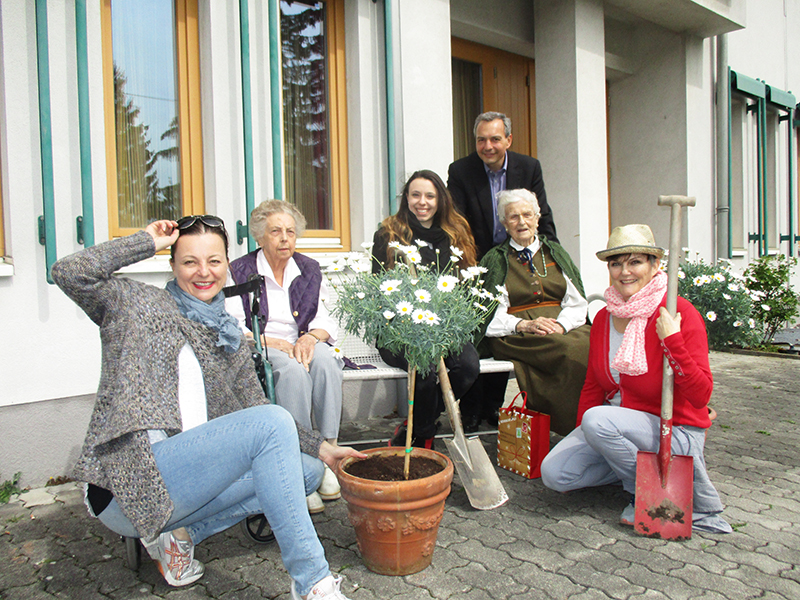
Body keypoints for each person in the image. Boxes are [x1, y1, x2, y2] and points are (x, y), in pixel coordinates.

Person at [52, 215, 366, 598]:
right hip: (126, 485)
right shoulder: (135, 303)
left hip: (184, 486)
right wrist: (146, 241)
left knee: (308, 471)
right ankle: (314, 584)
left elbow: (257, 410)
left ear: (228, 266)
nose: (203, 272)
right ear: (171, 264)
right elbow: (68, 272)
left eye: (214, 261)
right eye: (189, 262)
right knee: (272, 424)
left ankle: (178, 534)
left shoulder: (228, 335)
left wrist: (323, 448)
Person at [540, 224, 732, 534]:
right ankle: (631, 464)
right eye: (616, 263)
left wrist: (673, 342)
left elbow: (701, 395)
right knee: (555, 473)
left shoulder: (678, 312)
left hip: (673, 428)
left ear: (655, 266)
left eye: (635, 262)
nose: (624, 271)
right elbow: (593, 385)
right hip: (615, 426)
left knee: (599, 420)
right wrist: (586, 437)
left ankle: (642, 492)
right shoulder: (604, 317)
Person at [226, 200, 343, 514]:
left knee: (325, 361)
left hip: (302, 340)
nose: (284, 238)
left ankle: (328, 450)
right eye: (275, 231)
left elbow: (326, 319)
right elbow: (233, 323)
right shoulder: (239, 270)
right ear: (260, 237)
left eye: (290, 232)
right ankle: (302, 463)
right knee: (291, 372)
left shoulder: (308, 269)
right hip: (262, 346)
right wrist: (269, 341)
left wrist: (309, 337)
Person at [447, 111, 559, 429]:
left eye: (495, 139)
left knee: (507, 327)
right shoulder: (461, 170)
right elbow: (457, 223)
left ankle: (493, 408)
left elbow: (543, 216)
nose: (488, 146)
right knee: (480, 331)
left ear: (508, 140)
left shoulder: (529, 167)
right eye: (481, 139)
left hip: (519, 259)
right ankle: (470, 410)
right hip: (478, 263)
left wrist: (550, 257)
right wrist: (469, 269)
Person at [372, 169, 480, 449]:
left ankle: (419, 421)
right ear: (406, 198)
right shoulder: (390, 234)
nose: (423, 202)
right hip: (399, 330)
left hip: (444, 328)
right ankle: (423, 440)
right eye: (416, 194)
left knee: (468, 368)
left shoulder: (456, 234)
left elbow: (465, 286)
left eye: (430, 196)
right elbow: (379, 287)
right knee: (425, 365)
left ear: (441, 199)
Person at [475, 189, 591, 436]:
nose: (521, 222)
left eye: (527, 214)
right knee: (569, 352)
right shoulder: (495, 259)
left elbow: (577, 302)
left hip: (564, 326)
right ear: (505, 224)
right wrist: (523, 325)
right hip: (516, 334)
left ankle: (594, 417)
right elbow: (487, 315)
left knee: (594, 345)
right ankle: (573, 426)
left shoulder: (556, 253)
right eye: (513, 217)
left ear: (537, 218)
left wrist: (562, 325)